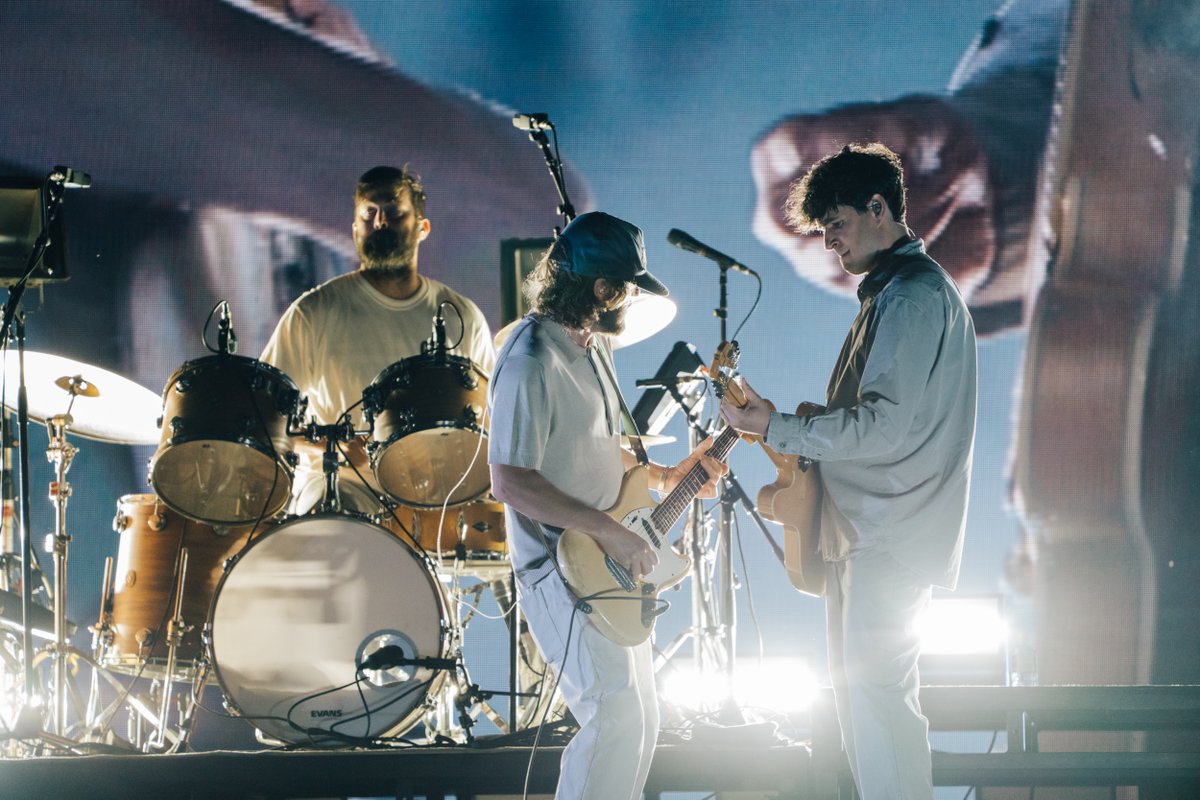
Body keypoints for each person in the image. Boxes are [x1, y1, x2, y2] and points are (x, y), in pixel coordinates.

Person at [720, 144, 978, 800]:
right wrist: (790, 423)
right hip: (879, 531)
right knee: (873, 709)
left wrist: (778, 427)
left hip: (887, 534)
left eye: (836, 223)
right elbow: (885, 422)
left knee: (876, 708)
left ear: (878, 208)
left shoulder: (911, 297)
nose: (829, 241)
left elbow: (883, 427)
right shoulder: (902, 292)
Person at [488, 211, 728, 800]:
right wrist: (608, 531)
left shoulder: (592, 344)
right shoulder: (529, 359)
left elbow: (592, 445)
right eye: (628, 287)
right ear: (602, 289)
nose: (632, 299)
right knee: (613, 718)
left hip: (605, 560)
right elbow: (510, 480)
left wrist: (666, 476)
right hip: (561, 568)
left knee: (640, 721)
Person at [261, 165, 495, 513]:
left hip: (434, 500)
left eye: (394, 212)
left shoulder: (462, 316)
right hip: (339, 489)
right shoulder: (313, 312)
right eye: (368, 214)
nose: (380, 222)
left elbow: (492, 423)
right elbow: (264, 416)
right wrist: (329, 448)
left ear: (422, 228)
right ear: (354, 229)